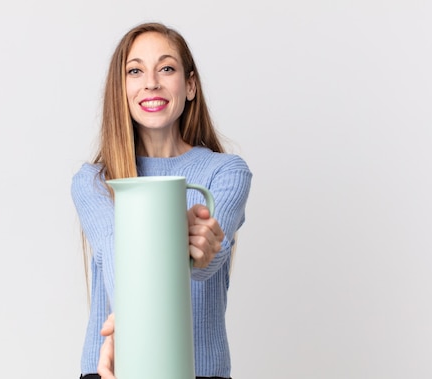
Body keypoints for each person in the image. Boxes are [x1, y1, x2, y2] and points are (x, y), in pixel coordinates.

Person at [72, 22, 252, 379]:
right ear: (121, 90)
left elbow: (207, 264)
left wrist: (201, 247)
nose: (151, 82)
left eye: (166, 68)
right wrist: (131, 332)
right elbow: (114, 249)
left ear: (189, 86)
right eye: (135, 71)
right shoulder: (94, 181)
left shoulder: (227, 172)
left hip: (200, 371)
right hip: (113, 367)